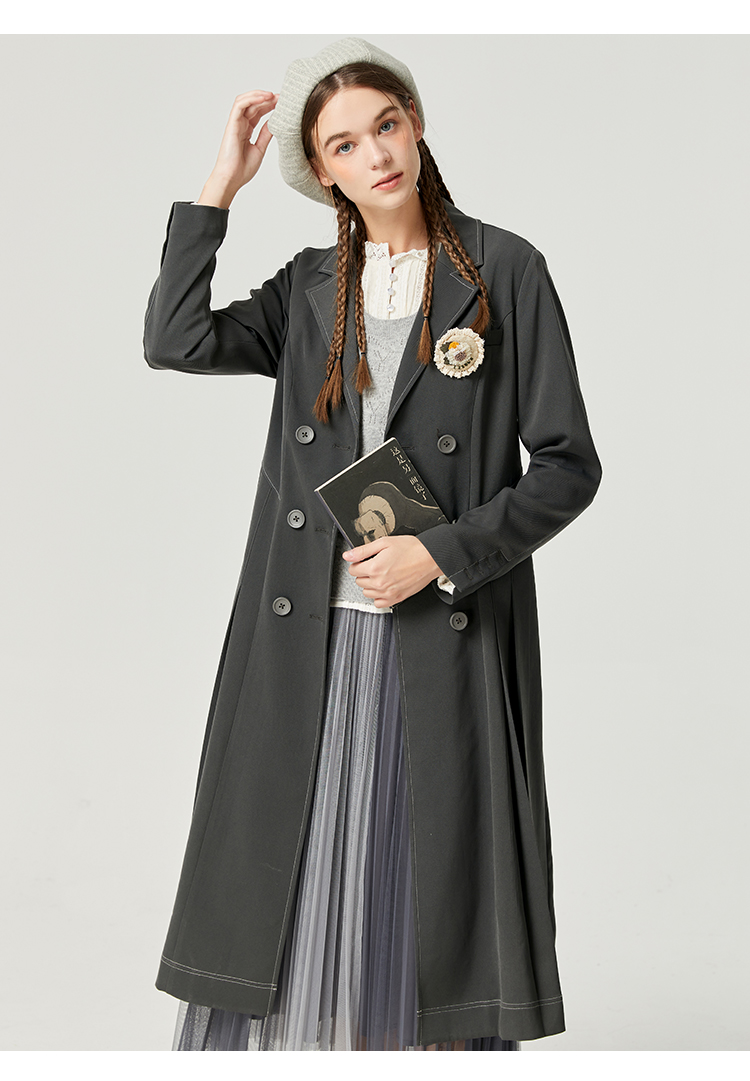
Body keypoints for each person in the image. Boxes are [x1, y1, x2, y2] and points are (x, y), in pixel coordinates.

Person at [143, 37, 601, 1052]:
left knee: (422, 898)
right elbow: (175, 340)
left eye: (385, 126)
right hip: (305, 640)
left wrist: (438, 553)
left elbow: (569, 465)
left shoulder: (505, 270)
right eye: (343, 145)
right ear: (323, 171)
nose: (375, 155)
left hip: (443, 636)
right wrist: (218, 189)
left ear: (417, 124)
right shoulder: (311, 287)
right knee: (291, 893)